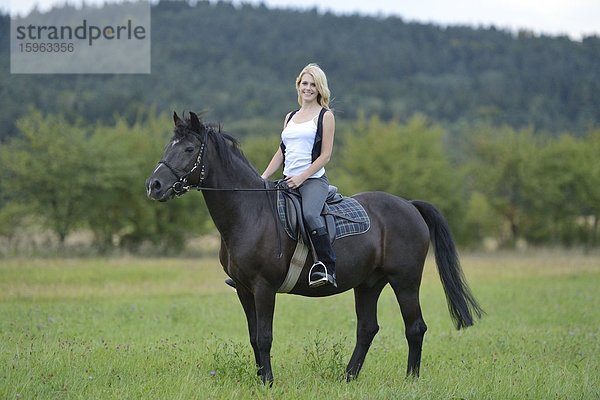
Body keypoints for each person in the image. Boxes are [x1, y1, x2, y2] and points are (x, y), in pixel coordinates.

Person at [261, 63, 337, 288]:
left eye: (313, 84)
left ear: (320, 88)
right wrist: (263, 177)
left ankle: (326, 266)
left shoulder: (326, 116)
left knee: (311, 215)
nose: (308, 88)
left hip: (312, 181)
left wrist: (302, 177)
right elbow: (281, 151)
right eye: (305, 83)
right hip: (287, 180)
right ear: (298, 85)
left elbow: (325, 156)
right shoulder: (290, 117)